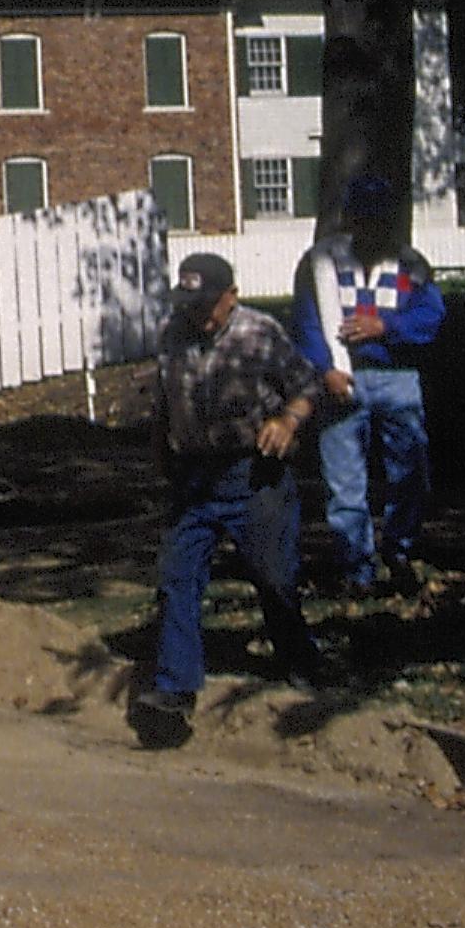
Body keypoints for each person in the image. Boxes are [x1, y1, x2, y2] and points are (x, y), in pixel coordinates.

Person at [135, 251, 328, 744]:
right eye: (189, 303)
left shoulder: (259, 333)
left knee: (274, 575)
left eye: (207, 304)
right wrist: (161, 454)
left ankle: (300, 659)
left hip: (252, 472)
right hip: (194, 475)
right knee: (178, 575)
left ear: (231, 296)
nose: (198, 314)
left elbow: (306, 386)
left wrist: (287, 422)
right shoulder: (173, 334)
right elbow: (163, 400)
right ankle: (174, 692)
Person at [290, 175, 445, 594]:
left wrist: (385, 326)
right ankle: (356, 566)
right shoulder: (321, 262)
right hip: (343, 376)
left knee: (410, 470)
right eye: (364, 219)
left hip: (397, 376)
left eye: (381, 220)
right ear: (350, 220)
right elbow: (305, 322)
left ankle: (400, 551)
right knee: (344, 481)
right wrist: (325, 369)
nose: (373, 229)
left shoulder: (410, 264)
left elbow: (430, 318)